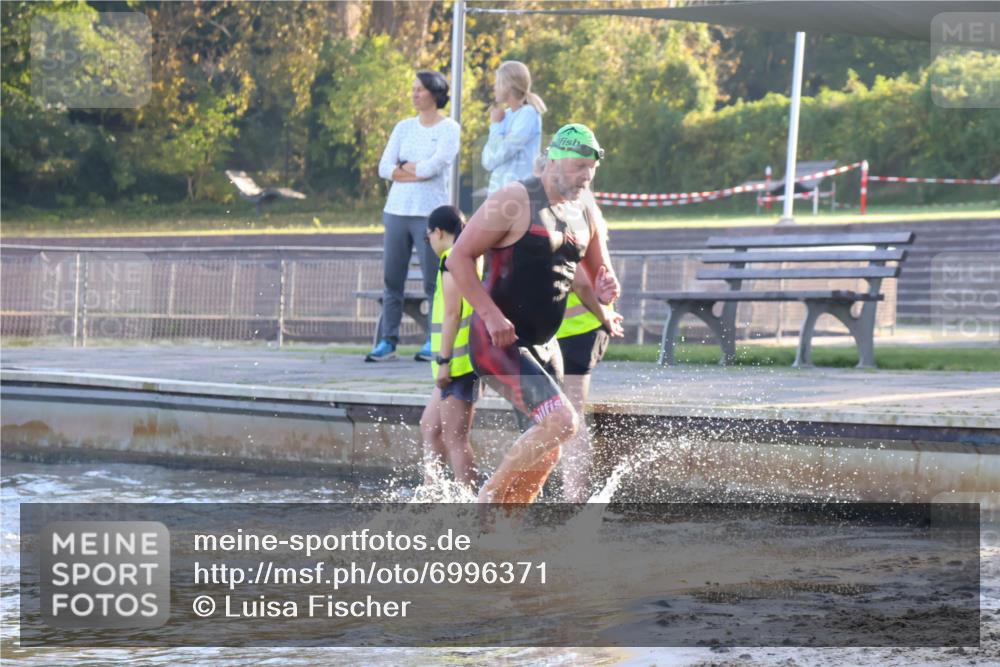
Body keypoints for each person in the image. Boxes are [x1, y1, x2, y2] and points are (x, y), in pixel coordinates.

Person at [447, 124, 621, 505]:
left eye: (591, 170)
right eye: (578, 167)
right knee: (563, 422)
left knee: (549, 449)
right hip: (498, 340)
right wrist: (490, 315)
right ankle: (487, 497)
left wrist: (607, 297)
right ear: (553, 160)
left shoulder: (586, 211)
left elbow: (598, 279)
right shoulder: (514, 199)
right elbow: (458, 257)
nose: (585, 177)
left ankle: (505, 530)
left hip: (545, 345)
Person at [371, 70, 460, 362]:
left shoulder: (449, 129)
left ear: (435, 93)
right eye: (413, 89)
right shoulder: (403, 127)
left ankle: (434, 339)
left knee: (433, 280)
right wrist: (411, 170)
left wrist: (404, 168)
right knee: (392, 279)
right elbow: (384, 168)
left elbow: (434, 167)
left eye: (420, 89)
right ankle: (388, 341)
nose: (414, 94)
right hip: (396, 211)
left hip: (429, 214)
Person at [418, 205, 481, 491]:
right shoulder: (469, 255)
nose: (429, 242)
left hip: (458, 363)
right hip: (458, 362)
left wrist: (443, 361)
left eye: (427, 236)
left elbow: (453, 313)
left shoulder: (452, 260)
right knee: (430, 427)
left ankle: (470, 503)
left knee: (456, 438)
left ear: (439, 232)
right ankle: (432, 495)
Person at [480, 61, 545, 195]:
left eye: (498, 83)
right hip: (497, 193)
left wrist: (495, 126)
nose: (494, 88)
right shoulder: (504, 115)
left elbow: (505, 150)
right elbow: (487, 161)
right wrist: (496, 126)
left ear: (508, 85)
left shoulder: (528, 113)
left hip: (519, 194)